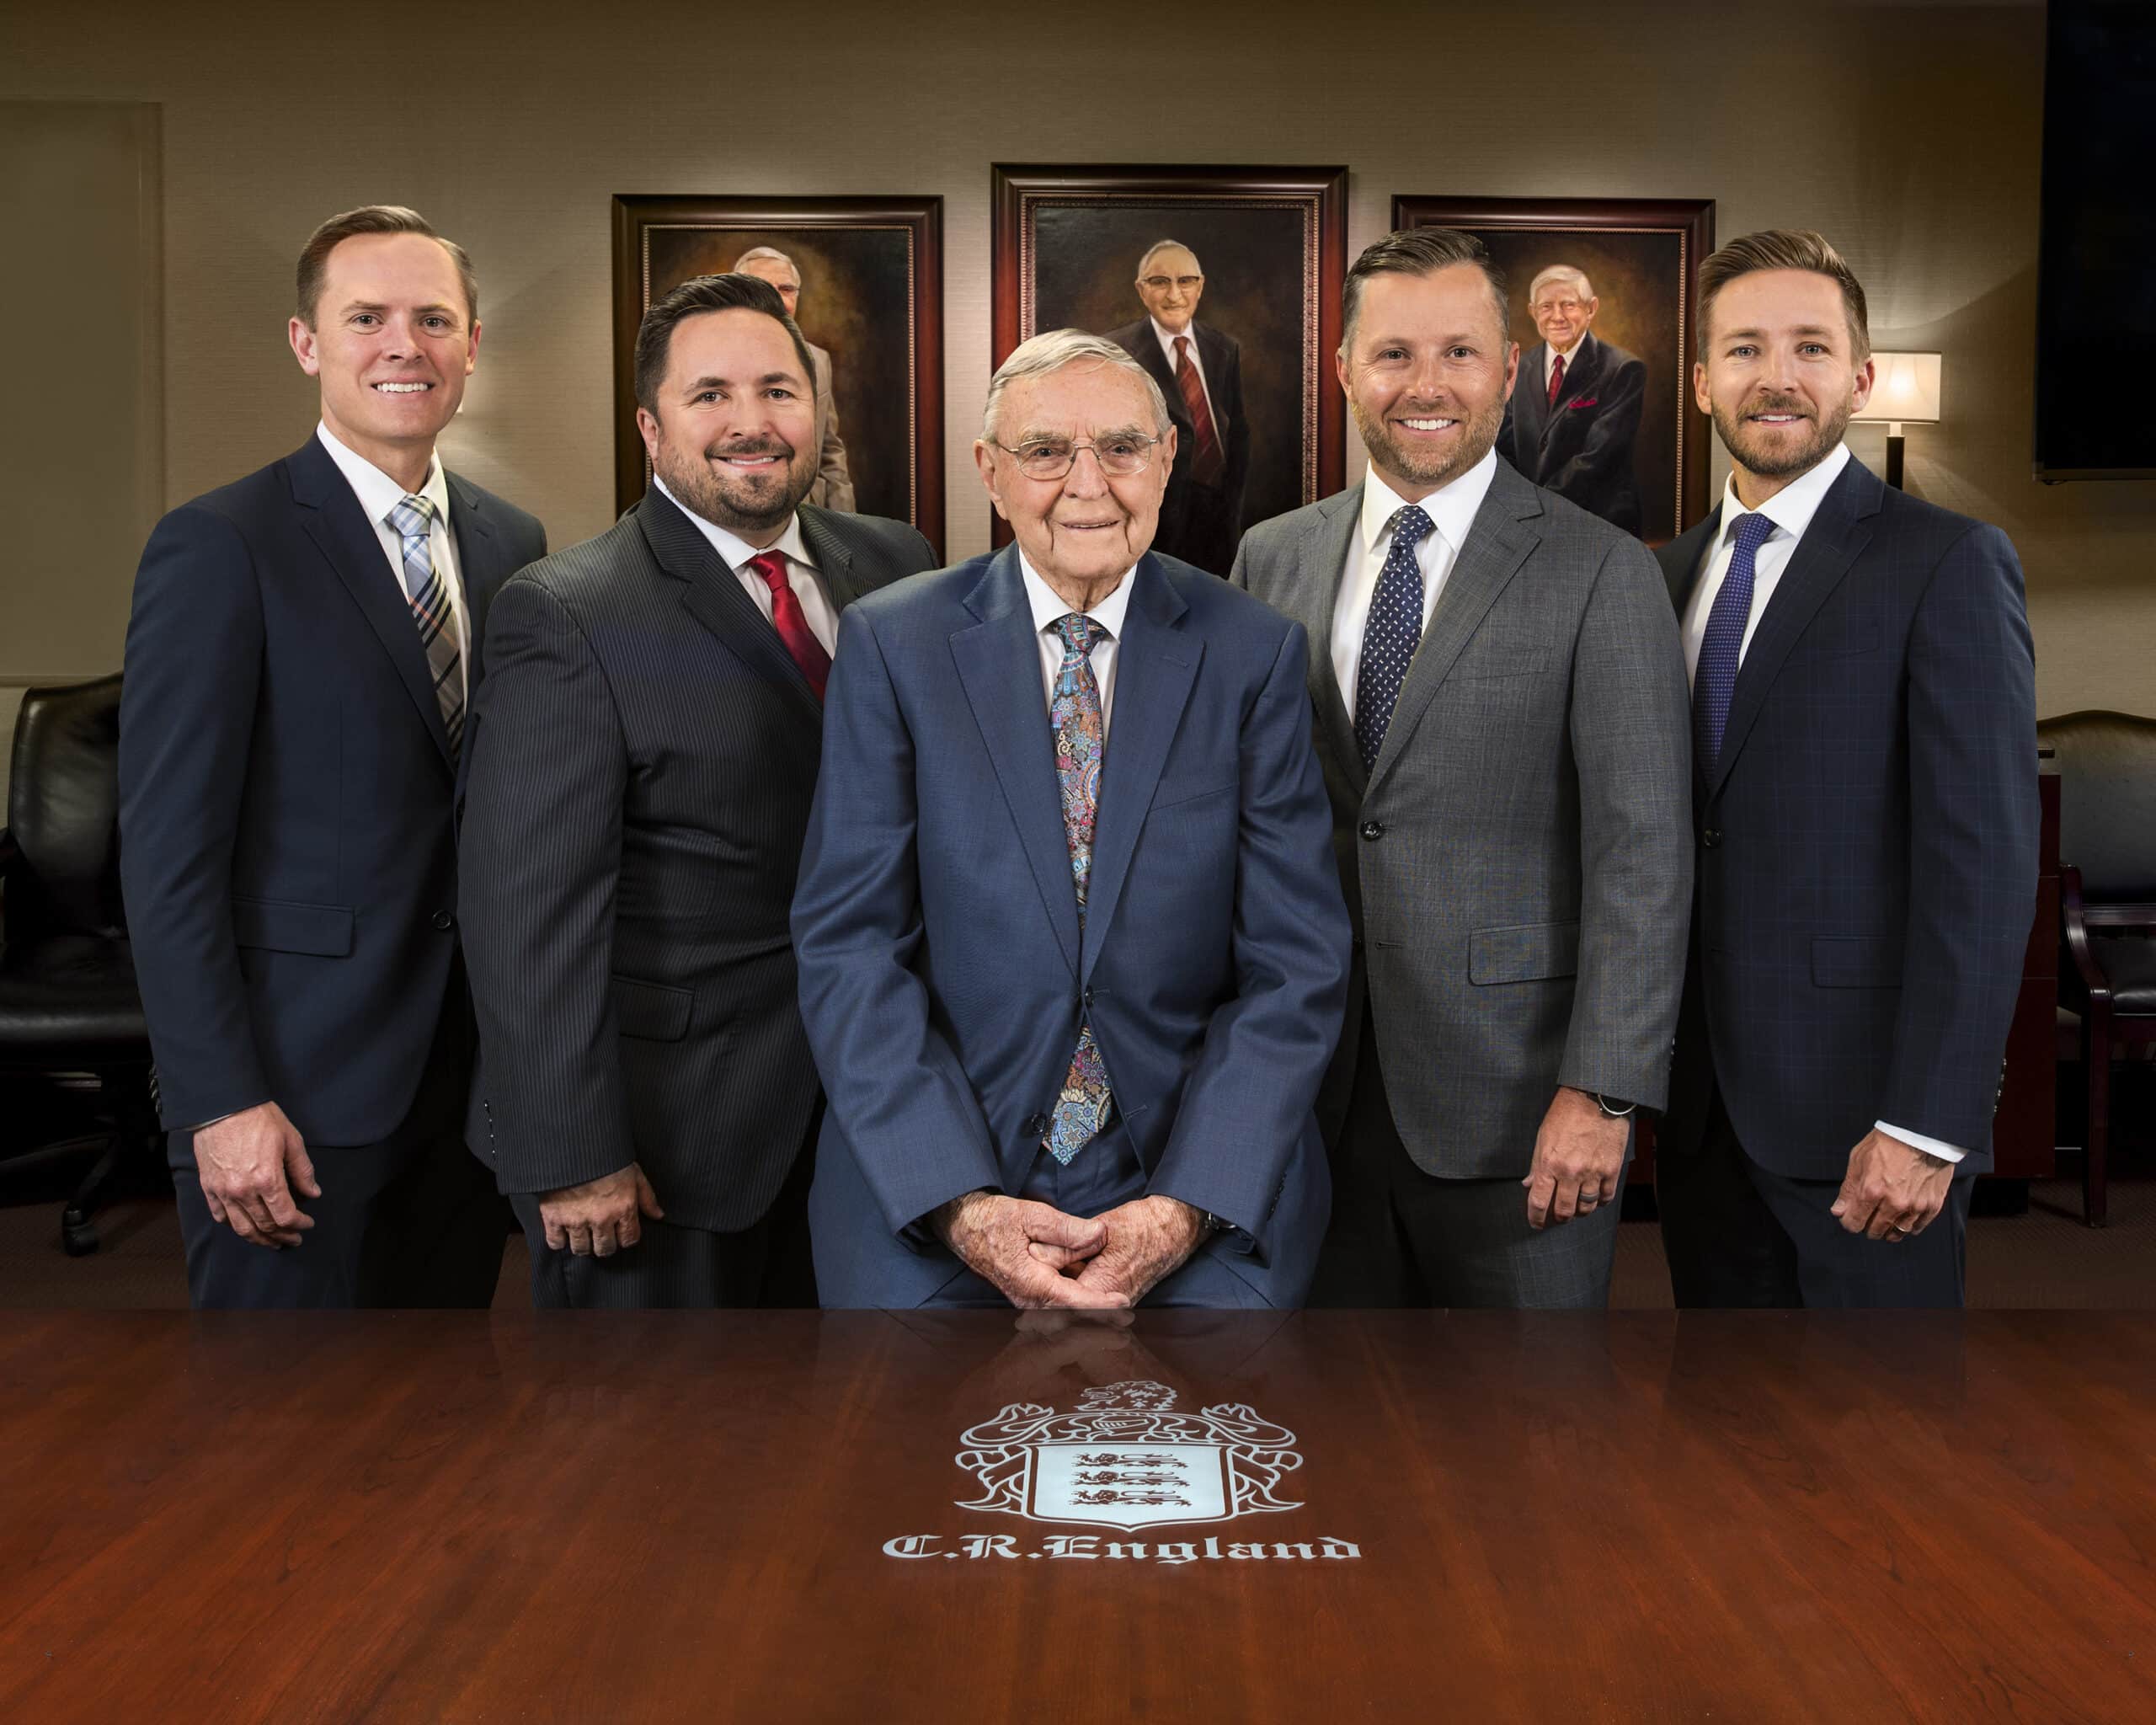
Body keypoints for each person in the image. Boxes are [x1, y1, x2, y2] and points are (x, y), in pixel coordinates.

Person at [793, 328, 1350, 1309]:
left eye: (1123, 447)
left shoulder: (1253, 653)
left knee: (1227, 1417)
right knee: (901, 1439)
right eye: (1047, 451)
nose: (1088, 483)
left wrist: (1184, 1205)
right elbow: (850, 944)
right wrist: (960, 1202)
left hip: (1189, 1162)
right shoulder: (895, 642)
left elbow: (1294, 961)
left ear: (1168, 459)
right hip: (942, 1165)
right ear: (991, 473)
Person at [1232, 228, 1692, 1308]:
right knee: (1329, 1440)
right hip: (1309, 1099)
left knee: (1525, 1449)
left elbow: (1644, 852)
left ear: (1508, 370)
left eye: (1459, 353)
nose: (1424, 386)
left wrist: (1604, 1093)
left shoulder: (1600, 570)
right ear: (1344, 369)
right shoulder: (1272, 555)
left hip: (1520, 1113)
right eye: (1392, 355)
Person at [458, 273, 935, 1308]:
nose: (751, 423)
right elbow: (525, 909)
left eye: (778, 390)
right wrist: (569, 1147)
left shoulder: (896, 566)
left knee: (862, 1437)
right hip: (672, 1133)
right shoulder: (567, 609)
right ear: (650, 424)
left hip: (878, 1110)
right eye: (709, 394)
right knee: (660, 1455)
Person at [119, 206, 545, 1308]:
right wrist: (217, 1102)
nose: (404, 345)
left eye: (433, 319)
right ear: (307, 343)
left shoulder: (512, 543)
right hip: (293, 1097)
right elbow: (168, 858)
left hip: (465, 1093)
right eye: (367, 318)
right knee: (280, 1451)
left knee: (440, 1434)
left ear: (472, 345)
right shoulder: (221, 545)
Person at [1654, 230, 2037, 1308]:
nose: (1775, 377)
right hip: (1700, 1123)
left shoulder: (1947, 561)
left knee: (1883, 1459)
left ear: (1859, 378)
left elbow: (1984, 871)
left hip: (1871, 1129)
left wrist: (1927, 1121)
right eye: (1742, 350)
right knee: (1721, 1454)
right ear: (1701, 382)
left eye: (1810, 348)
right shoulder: (1663, 575)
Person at [1105, 240, 1251, 576]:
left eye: (1185, 281)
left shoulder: (1223, 348)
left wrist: (1233, 503)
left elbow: (1238, 430)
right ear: (1141, 291)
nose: (1174, 295)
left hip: (1219, 514)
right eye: (1160, 282)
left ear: (1200, 287)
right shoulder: (1116, 351)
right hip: (1160, 516)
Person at [1498, 264, 1647, 535]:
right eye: (1546, 307)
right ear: (1533, 312)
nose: (1557, 316)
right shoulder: (1517, 368)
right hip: (1526, 525)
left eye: (1569, 305)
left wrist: (1535, 507)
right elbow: (1504, 449)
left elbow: (1597, 458)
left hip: (1601, 524)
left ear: (1591, 309)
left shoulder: (1623, 369)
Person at [734, 245, 857, 511]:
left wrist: (847, 526)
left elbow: (830, 453)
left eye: (786, 289)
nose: (777, 300)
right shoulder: (708, 360)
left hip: (809, 514)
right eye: (763, 288)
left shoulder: (818, 360)